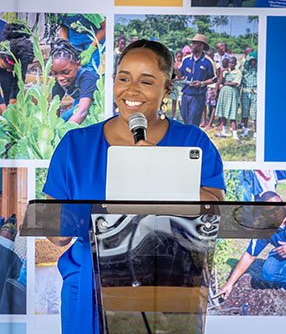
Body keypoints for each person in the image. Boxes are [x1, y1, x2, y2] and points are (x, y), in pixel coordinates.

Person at [43, 39, 225, 334]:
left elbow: (215, 209)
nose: (131, 90)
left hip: (167, 288)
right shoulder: (76, 145)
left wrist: (161, 167)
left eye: (147, 81)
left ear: (166, 89)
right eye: (123, 78)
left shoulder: (194, 142)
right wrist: (64, 223)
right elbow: (56, 234)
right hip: (90, 292)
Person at [217, 191, 286, 300]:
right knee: (270, 272)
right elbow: (250, 255)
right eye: (271, 210)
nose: (278, 211)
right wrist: (229, 284)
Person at [50, 39, 99, 125]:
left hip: (101, 107)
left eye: (66, 72)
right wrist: (54, 128)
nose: (60, 78)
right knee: (62, 120)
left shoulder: (88, 79)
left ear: (78, 64)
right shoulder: (58, 80)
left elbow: (82, 112)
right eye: (55, 73)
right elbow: (55, 108)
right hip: (85, 106)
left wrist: (63, 132)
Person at [178, 34, 216, 126]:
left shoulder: (208, 61)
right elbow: (180, 76)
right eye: (192, 43)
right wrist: (175, 69)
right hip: (185, 94)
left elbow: (214, 78)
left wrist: (202, 83)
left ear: (201, 45)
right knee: (185, 118)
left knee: (194, 121)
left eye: (195, 43)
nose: (192, 45)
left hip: (198, 96)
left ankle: (192, 139)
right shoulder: (186, 59)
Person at [0, 23, 34, 113]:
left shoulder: (22, 53)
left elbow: (19, 79)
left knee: (8, 85)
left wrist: (12, 109)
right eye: (5, 67)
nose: (8, 71)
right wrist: (4, 113)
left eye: (13, 69)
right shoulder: (4, 48)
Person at [215, 56, 242, 140]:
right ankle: (224, 131)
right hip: (224, 93)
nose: (231, 64)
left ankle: (234, 133)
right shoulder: (226, 71)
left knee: (232, 112)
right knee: (223, 111)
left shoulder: (238, 72)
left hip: (232, 93)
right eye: (229, 63)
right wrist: (221, 73)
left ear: (235, 63)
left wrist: (225, 83)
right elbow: (220, 82)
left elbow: (235, 83)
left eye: (232, 63)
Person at [240, 51, 257, 138]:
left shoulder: (258, 69)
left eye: (254, 60)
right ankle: (245, 129)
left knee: (255, 112)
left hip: (255, 92)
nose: (253, 62)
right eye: (251, 60)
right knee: (245, 111)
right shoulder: (245, 69)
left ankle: (256, 132)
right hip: (246, 92)